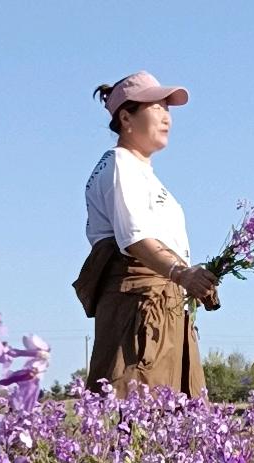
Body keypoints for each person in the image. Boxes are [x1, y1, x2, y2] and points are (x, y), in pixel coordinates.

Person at [73, 71, 218, 399]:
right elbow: (133, 238)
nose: (167, 117)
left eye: (168, 109)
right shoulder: (119, 165)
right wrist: (182, 273)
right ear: (126, 117)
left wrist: (195, 280)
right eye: (157, 107)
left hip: (162, 308)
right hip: (139, 314)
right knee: (138, 415)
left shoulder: (142, 173)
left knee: (173, 426)